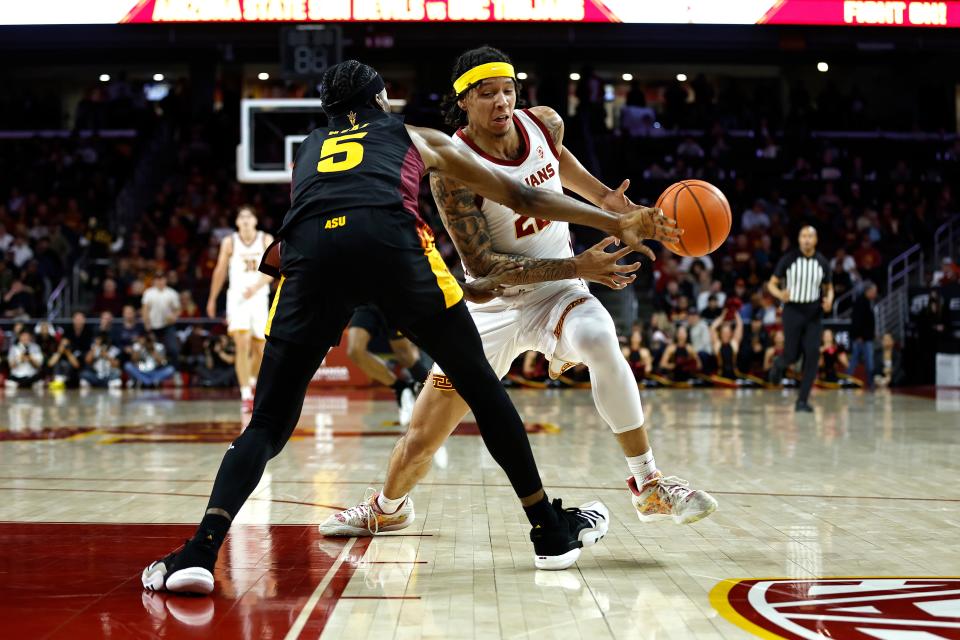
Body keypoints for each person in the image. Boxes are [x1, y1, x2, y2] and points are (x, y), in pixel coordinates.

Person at [142, 58, 681, 596]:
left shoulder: (307, 147)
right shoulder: (414, 135)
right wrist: (616, 220)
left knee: (266, 426)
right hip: (393, 246)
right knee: (482, 389)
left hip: (310, 255)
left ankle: (201, 551)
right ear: (382, 102)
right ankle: (549, 530)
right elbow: (519, 200)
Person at [322, 47, 715, 541]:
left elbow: (558, 166)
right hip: (493, 307)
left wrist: (606, 200)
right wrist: (580, 263)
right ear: (463, 101)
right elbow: (485, 270)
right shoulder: (453, 170)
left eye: (508, 90)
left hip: (558, 292)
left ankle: (648, 482)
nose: (502, 102)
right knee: (423, 437)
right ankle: (388, 507)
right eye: (487, 94)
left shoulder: (544, 124)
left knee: (599, 338)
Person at [206, 206, 274, 411]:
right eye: (241, 216)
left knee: (260, 349)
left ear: (255, 221)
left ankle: (251, 380)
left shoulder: (265, 239)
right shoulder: (229, 242)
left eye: (249, 216)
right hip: (237, 299)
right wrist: (212, 298)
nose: (245, 220)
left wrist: (256, 286)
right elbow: (219, 271)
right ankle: (246, 393)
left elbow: (274, 269)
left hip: (259, 297)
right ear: (237, 222)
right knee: (242, 344)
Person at [767, 226, 834, 412]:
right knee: (792, 354)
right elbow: (771, 284)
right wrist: (780, 294)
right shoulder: (788, 259)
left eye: (810, 236)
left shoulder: (822, 262)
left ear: (816, 240)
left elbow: (829, 287)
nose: (806, 240)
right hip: (793, 310)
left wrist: (829, 300)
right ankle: (778, 364)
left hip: (814, 312)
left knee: (812, 355)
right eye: (803, 236)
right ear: (798, 239)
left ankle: (802, 401)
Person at [346, 305, 429, 425]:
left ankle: (436, 392)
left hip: (393, 300)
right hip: (367, 300)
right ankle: (401, 388)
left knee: (405, 356)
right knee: (354, 351)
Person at [142, 272, 181, 368]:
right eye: (157, 279)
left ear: (165, 280)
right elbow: (145, 309)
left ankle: (174, 371)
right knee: (150, 349)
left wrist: (174, 316)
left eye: (162, 278)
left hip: (167, 325)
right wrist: (146, 323)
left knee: (173, 349)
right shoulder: (148, 293)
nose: (160, 281)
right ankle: (152, 370)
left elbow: (178, 309)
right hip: (152, 326)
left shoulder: (172, 293)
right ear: (154, 280)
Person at [847, 282, 877, 389]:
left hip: (866, 337)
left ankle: (869, 381)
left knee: (858, 360)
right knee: (861, 360)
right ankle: (849, 379)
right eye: (874, 291)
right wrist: (858, 335)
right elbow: (857, 320)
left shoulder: (868, 302)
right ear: (868, 291)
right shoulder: (861, 302)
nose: (875, 294)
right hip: (861, 338)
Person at [709, 312, 742, 381]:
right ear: (720, 334)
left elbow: (740, 325)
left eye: (727, 333)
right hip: (721, 375)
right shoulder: (717, 345)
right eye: (723, 333)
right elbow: (712, 328)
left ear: (731, 334)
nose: (725, 335)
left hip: (734, 375)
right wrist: (722, 316)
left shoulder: (734, 344)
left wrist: (735, 312)